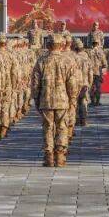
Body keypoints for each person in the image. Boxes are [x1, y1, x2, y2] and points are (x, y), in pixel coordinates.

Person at [31, 33, 74, 167]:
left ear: (48, 45)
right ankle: (60, 156)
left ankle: (48, 156)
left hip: (46, 100)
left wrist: (36, 98)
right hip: (62, 100)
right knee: (62, 127)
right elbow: (73, 83)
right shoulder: (68, 61)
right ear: (61, 45)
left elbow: (35, 83)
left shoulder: (41, 61)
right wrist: (72, 99)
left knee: (48, 127)